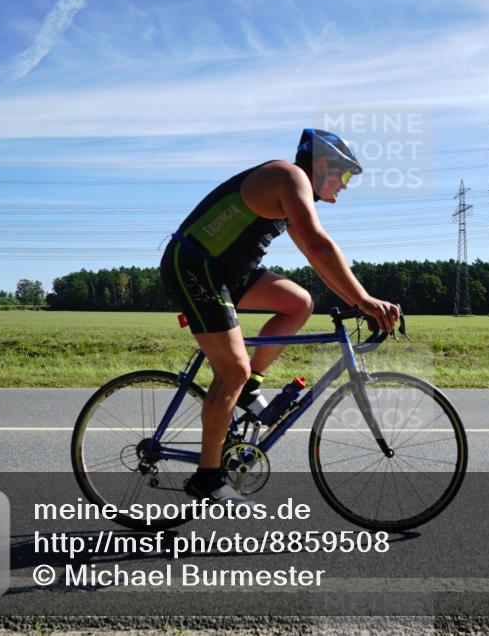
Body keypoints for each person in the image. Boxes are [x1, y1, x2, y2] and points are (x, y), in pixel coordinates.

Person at [160, 128, 401, 505]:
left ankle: (250, 385)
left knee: (299, 303)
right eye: (346, 175)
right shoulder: (289, 177)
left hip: (226, 272)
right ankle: (207, 477)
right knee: (231, 370)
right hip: (194, 265)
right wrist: (367, 302)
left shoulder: (295, 189)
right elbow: (320, 247)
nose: (346, 186)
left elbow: (315, 255)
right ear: (323, 164)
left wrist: (358, 300)